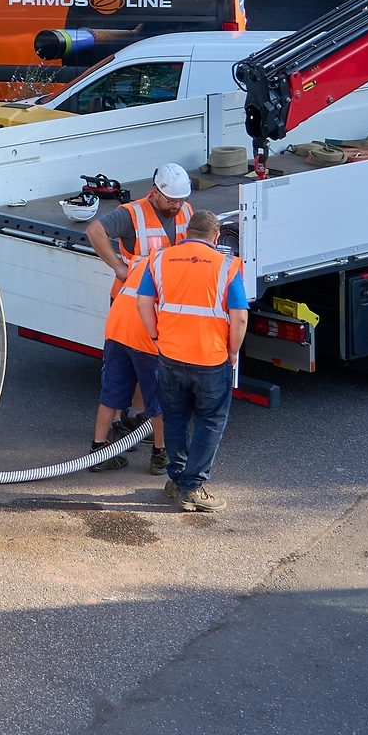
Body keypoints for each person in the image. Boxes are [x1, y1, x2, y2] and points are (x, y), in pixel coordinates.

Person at [134, 209, 251, 511]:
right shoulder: (226, 265)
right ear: (215, 237)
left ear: (186, 233)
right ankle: (192, 486)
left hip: (171, 355)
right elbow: (238, 317)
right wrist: (233, 350)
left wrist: (156, 337)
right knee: (209, 422)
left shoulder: (160, 260)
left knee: (174, 419)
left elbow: (143, 301)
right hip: (211, 358)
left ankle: (176, 479)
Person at [80, 163, 192, 473]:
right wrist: (118, 266)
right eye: (172, 201)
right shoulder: (133, 214)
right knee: (155, 379)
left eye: (181, 200)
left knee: (127, 378)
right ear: (155, 193)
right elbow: (95, 230)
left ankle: (123, 428)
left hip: (141, 311)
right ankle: (155, 448)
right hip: (142, 310)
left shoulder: (184, 210)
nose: (177, 206)